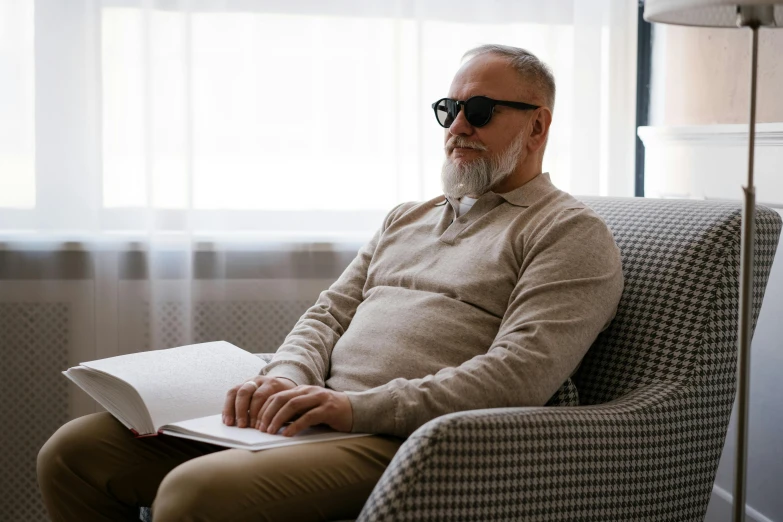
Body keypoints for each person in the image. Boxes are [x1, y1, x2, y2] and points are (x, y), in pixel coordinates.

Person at [37, 44, 624, 522]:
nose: (458, 126)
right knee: (73, 453)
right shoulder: (407, 216)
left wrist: (352, 408)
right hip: (312, 418)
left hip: (404, 441)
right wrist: (287, 378)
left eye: (481, 111)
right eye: (449, 109)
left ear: (539, 124)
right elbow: (326, 315)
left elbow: (519, 376)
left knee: (195, 496)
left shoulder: (567, 233)